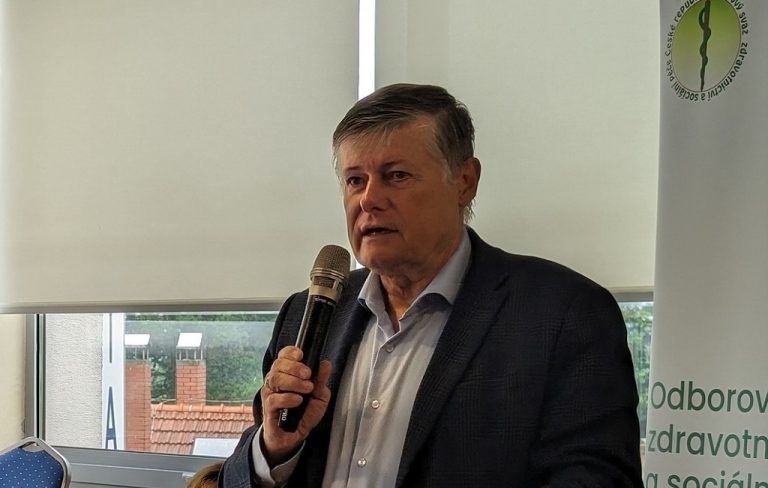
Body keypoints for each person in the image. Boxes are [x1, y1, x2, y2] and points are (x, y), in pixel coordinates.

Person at [220, 83, 643, 487]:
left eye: (396, 175)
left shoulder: (563, 315)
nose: (369, 199)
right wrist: (273, 449)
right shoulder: (306, 314)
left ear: (465, 181)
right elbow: (237, 477)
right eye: (355, 180)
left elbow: (598, 480)